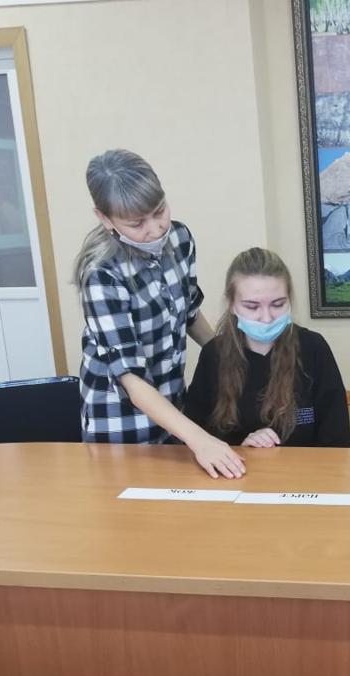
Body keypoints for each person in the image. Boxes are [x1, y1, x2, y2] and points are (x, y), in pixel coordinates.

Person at [75, 149, 244, 479]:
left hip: (173, 404)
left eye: (159, 211)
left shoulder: (179, 239)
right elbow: (130, 378)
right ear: (105, 218)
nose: (154, 230)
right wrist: (200, 439)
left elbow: (189, 312)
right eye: (136, 223)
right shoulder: (101, 274)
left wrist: (227, 357)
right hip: (121, 421)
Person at [184, 247, 350, 448]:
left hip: (305, 468)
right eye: (252, 306)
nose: (266, 318)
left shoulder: (313, 348)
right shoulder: (213, 355)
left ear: (289, 300)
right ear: (232, 304)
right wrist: (244, 450)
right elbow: (196, 435)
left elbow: (337, 440)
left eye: (277, 304)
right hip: (235, 467)